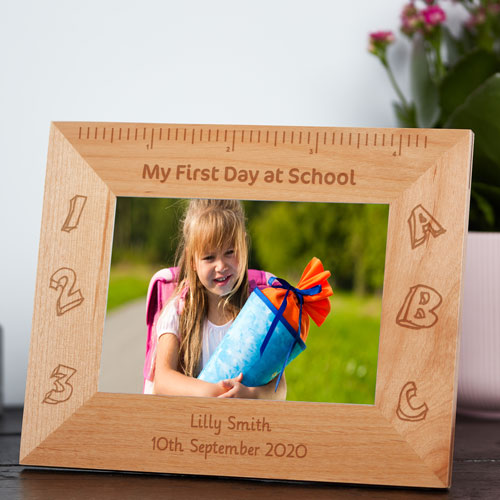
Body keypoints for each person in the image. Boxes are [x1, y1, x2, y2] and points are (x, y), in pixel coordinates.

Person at [148, 199, 286, 400]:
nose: (221, 266)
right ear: (192, 260)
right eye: (209, 257)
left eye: (230, 252)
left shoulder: (258, 311)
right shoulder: (179, 310)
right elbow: (162, 380)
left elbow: (280, 388)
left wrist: (251, 394)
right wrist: (211, 392)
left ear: (243, 246)